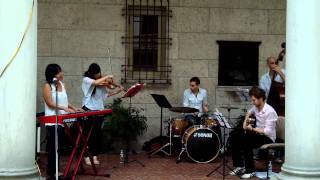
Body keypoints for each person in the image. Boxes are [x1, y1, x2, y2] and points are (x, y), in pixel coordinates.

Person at [43, 64, 83, 179]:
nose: (62, 74)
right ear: (54, 75)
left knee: (60, 146)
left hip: (64, 119)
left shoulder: (62, 85)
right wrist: (63, 108)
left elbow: (65, 101)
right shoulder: (48, 86)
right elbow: (50, 103)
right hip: (53, 120)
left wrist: (74, 108)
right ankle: (53, 172)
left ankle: (56, 170)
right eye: (59, 72)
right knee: (54, 147)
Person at [229, 87, 278, 179]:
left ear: (261, 98)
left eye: (254, 100)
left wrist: (252, 129)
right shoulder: (256, 107)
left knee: (246, 140)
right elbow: (249, 112)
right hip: (257, 134)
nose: (252, 102)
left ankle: (251, 171)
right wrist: (245, 121)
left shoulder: (270, 111)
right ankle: (240, 166)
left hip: (268, 137)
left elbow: (267, 131)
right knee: (234, 136)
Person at [82, 63, 123, 166]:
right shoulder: (86, 80)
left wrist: (117, 90)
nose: (99, 75)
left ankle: (94, 155)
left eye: (99, 73)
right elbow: (96, 83)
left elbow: (105, 95)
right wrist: (107, 77)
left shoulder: (101, 82)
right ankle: (86, 156)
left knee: (97, 134)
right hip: (88, 109)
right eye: (97, 73)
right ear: (92, 73)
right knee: (88, 134)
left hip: (99, 110)